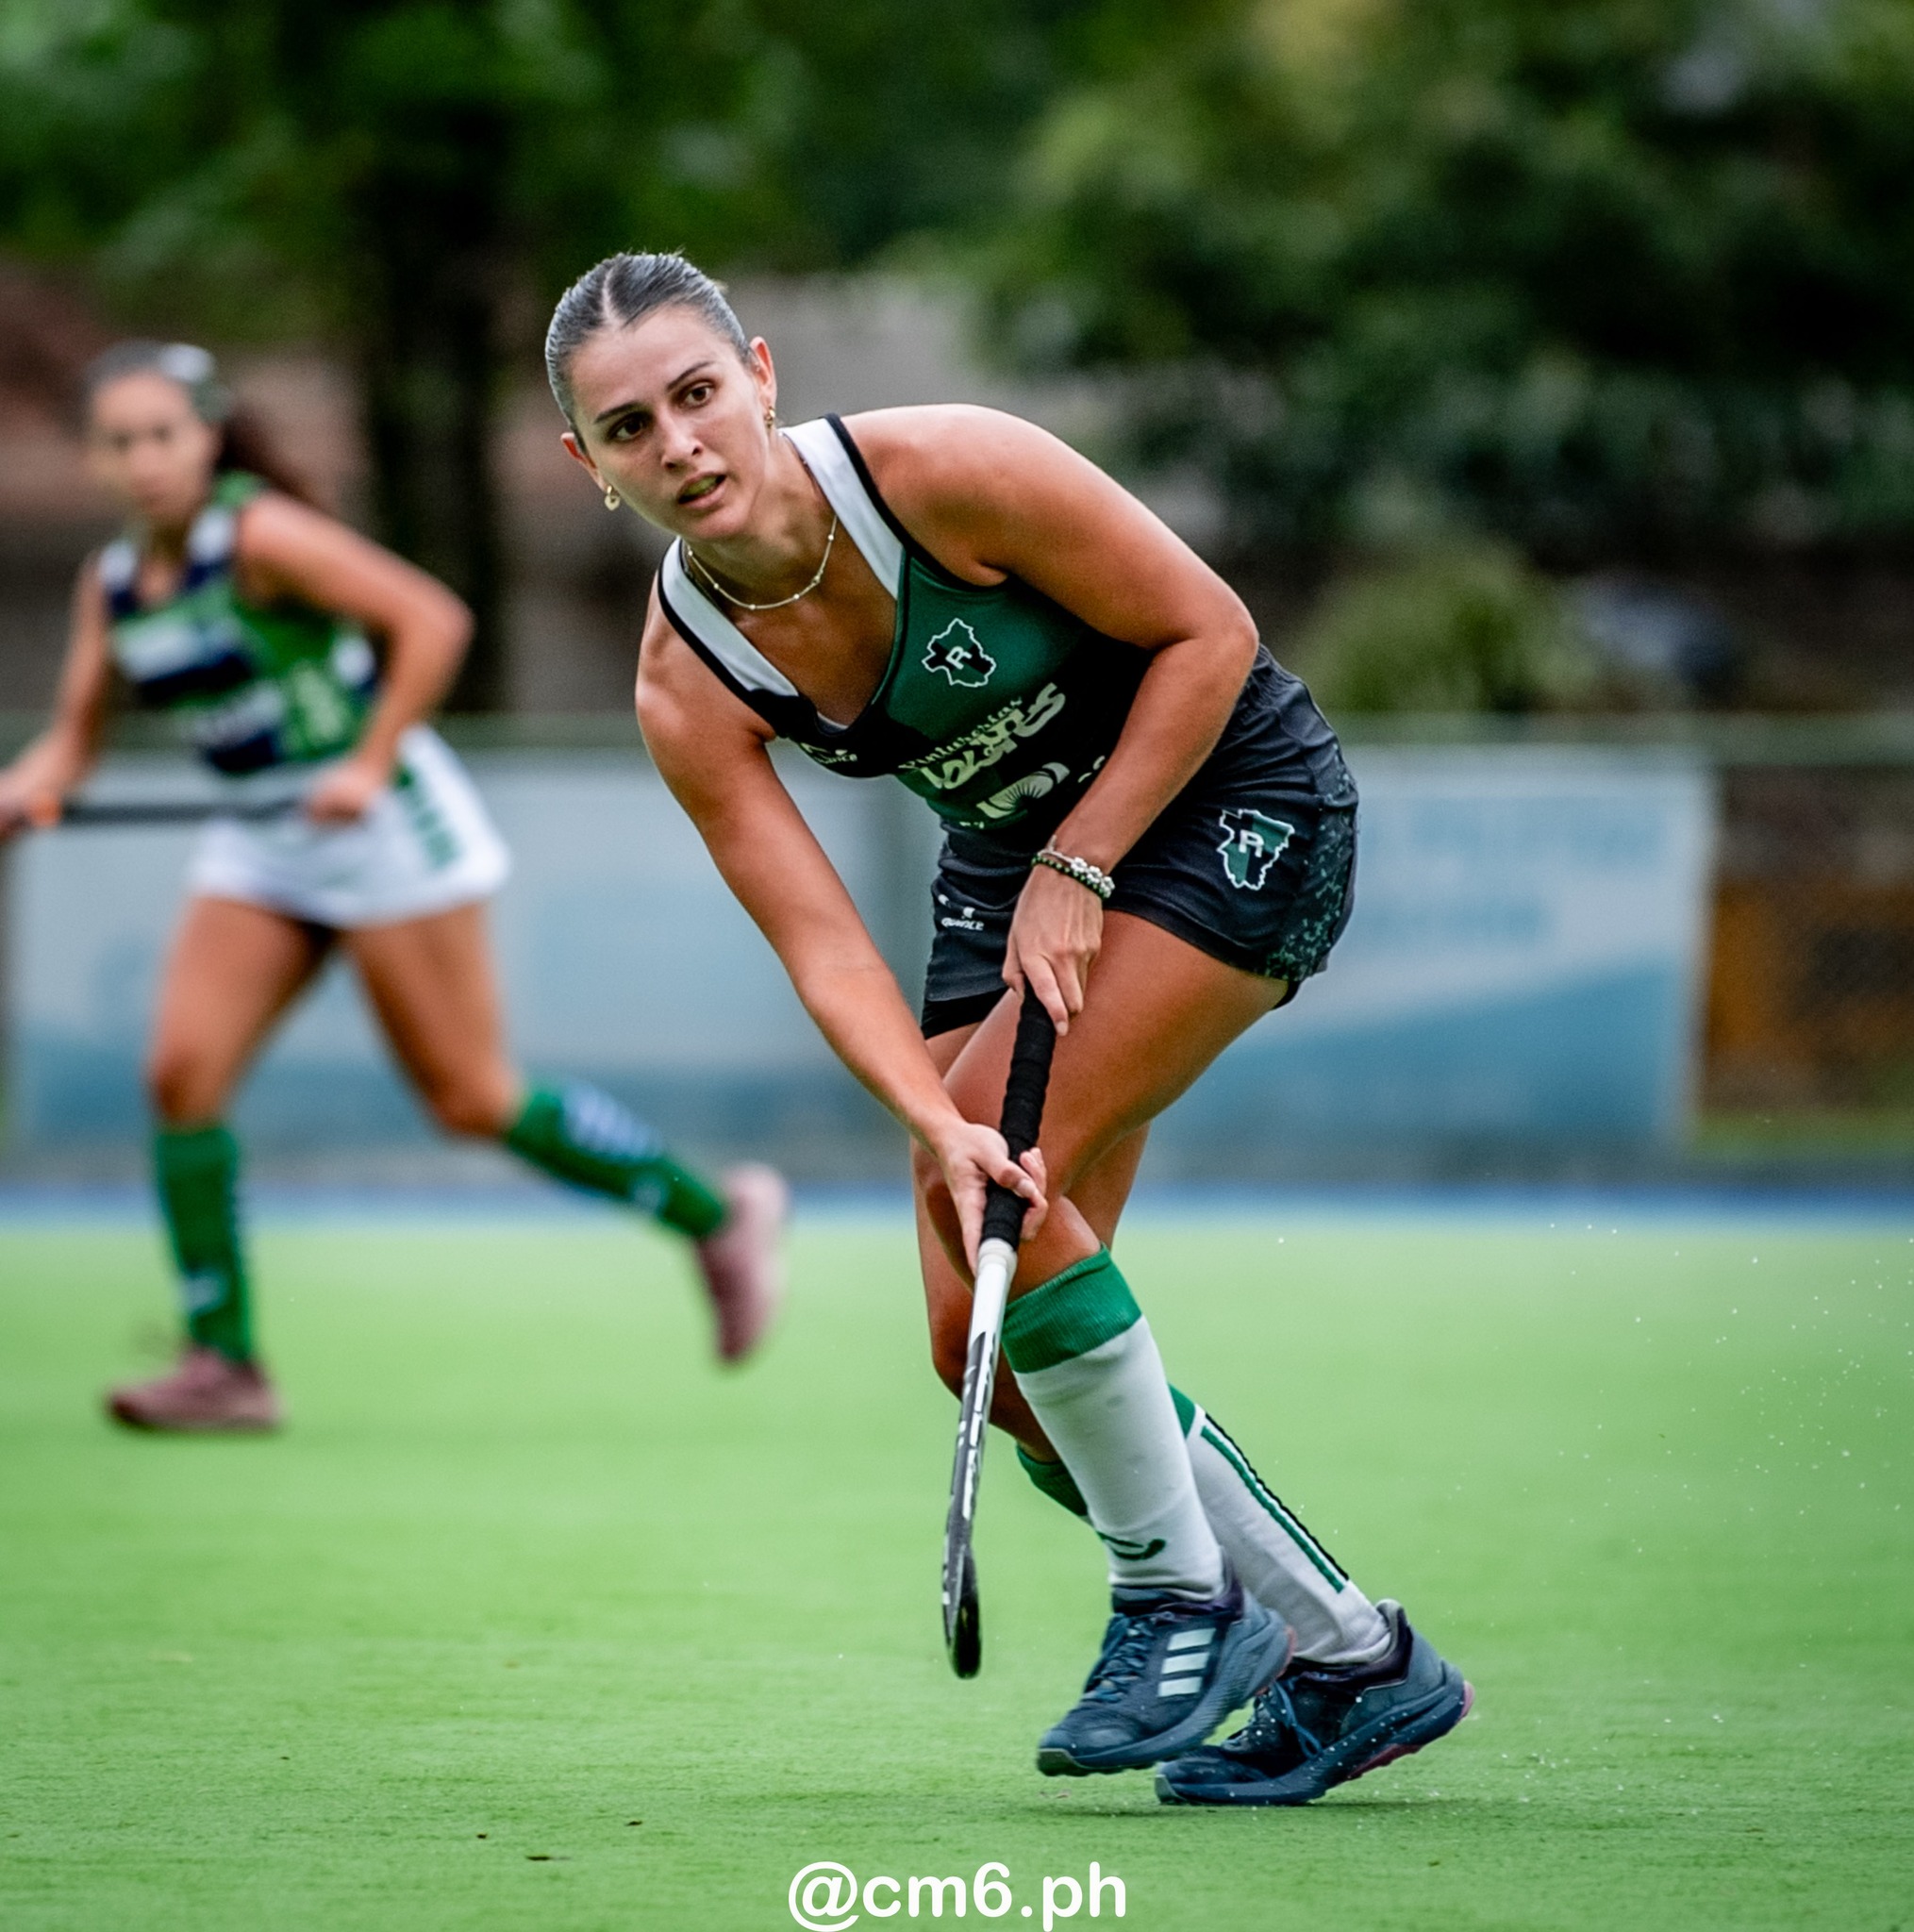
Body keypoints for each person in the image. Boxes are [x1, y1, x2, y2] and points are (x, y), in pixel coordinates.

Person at [540, 252, 1472, 1806]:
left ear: (757, 373)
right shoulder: (684, 680)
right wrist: (930, 1112)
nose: (680, 445)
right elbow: (818, 943)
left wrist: (1080, 861)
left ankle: (1180, 1600)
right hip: (1006, 855)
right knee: (983, 1341)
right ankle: (1349, 1656)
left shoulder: (945, 471)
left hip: (1226, 796)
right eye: (628, 428)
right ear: (589, 466)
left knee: (1000, 1198)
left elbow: (1207, 633)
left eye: (696, 393)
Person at [0, 340, 787, 1433]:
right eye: (120, 443)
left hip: (386, 827)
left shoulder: (260, 536)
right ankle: (225, 1363)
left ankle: (713, 1212)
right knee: (181, 1072)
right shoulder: (118, 583)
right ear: (94, 458)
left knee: (470, 1097)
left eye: (163, 436)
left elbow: (432, 620)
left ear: (209, 436)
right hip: (263, 842)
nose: (144, 462)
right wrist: (19, 794)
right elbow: (71, 749)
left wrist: (367, 759)